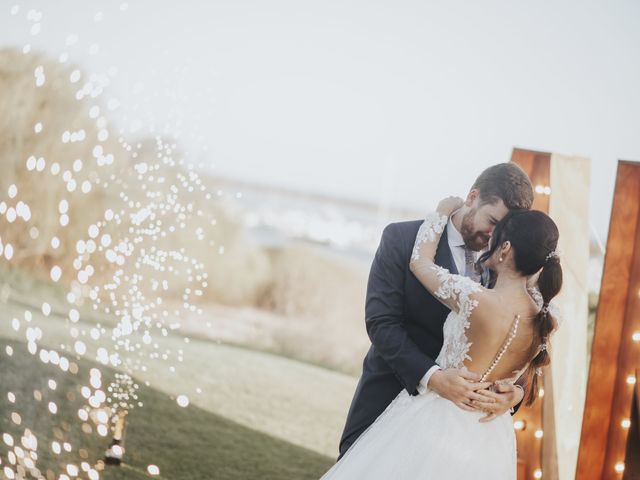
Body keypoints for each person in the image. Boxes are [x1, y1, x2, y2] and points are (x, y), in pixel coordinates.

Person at [321, 197, 561, 479]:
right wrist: (516, 392)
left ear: (505, 248)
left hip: (433, 418)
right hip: (488, 437)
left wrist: (441, 212)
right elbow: (527, 365)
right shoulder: (548, 316)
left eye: (498, 235)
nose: (490, 240)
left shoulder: (474, 298)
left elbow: (420, 262)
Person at [338, 163, 534, 459]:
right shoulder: (402, 239)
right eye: (492, 221)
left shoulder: (507, 267)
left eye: (503, 230)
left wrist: (515, 394)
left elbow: (525, 338)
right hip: (388, 398)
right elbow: (381, 323)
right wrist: (434, 378)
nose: (493, 236)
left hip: (453, 435)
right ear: (473, 197)